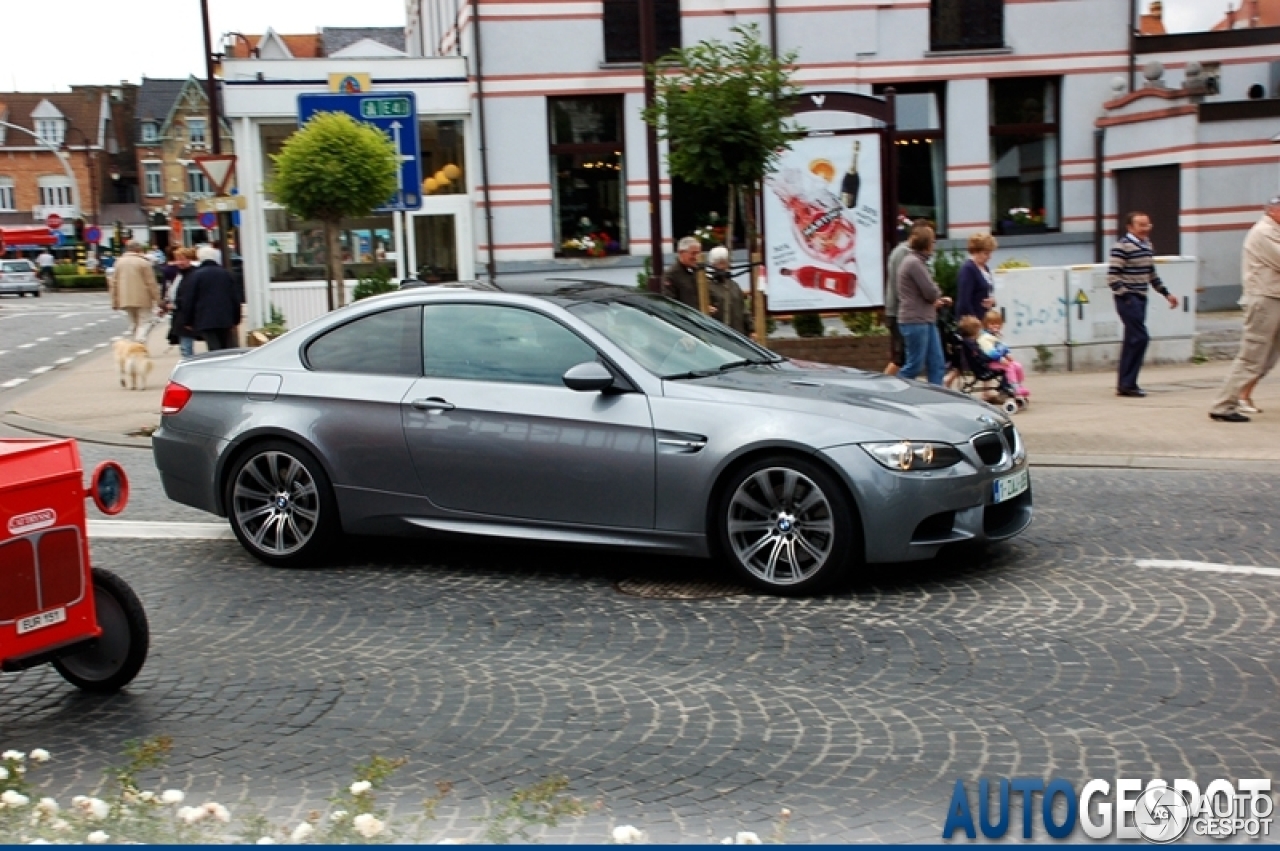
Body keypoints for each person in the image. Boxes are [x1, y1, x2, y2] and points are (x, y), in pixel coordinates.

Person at [1209, 197, 1280, 423]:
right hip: (1265, 299)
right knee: (1252, 356)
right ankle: (1223, 405)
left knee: (1267, 358)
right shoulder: (1264, 232)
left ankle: (1235, 399)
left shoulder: (1273, 230)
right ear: (1273, 211)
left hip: (1273, 297)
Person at [1109, 211, 1178, 397]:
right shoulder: (1122, 246)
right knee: (1140, 338)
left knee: (1132, 340)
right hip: (1128, 298)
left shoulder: (1147, 245)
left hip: (1141, 297)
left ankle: (1125, 384)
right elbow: (1113, 276)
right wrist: (1126, 296)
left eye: (1148, 225)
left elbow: (1151, 274)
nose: (1145, 229)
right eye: (1141, 225)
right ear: (1130, 227)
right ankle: (1128, 383)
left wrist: (1166, 294)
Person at [896, 225, 952, 385]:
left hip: (926, 319)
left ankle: (936, 394)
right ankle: (896, 389)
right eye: (933, 241)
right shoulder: (914, 263)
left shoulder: (918, 262)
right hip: (915, 320)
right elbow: (930, 292)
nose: (934, 245)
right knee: (915, 365)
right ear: (926, 244)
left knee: (937, 363)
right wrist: (937, 291)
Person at [183, 245, 242, 351]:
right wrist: (236, 318)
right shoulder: (226, 274)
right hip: (225, 318)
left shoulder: (196, 275)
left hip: (205, 318)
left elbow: (190, 299)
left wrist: (188, 320)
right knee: (228, 347)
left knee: (214, 348)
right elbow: (234, 297)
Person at [882, 223, 919, 376]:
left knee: (904, 355)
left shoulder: (909, 253)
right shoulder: (903, 253)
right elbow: (901, 285)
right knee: (902, 356)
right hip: (898, 312)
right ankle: (883, 383)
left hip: (901, 311)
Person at [109, 242, 161, 342]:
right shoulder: (143, 263)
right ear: (138, 250)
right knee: (144, 322)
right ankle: (139, 342)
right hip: (143, 298)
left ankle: (135, 345)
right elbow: (151, 283)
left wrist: (114, 301)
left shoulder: (118, 262)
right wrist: (158, 300)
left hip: (125, 299)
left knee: (134, 323)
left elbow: (114, 283)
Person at [977, 309, 1029, 398]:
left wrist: (1007, 354)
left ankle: (1019, 385)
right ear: (986, 324)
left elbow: (1002, 348)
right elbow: (990, 351)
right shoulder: (985, 338)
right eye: (992, 324)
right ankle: (1013, 387)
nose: (995, 326)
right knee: (1010, 366)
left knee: (1017, 365)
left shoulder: (995, 336)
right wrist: (1000, 358)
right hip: (990, 363)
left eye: (997, 323)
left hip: (997, 361)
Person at [166, 247, 200, 358]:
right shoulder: (180, 274)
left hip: (187, 314)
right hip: (181, 314)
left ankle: (190, 365)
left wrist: (175, 304)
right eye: (177, 259)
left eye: (182, 259)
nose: (179, 262)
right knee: (185, 346)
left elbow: (187, 295)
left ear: (189, 259)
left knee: (186, 347)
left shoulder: (192, 274)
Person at [956, 233, 998, 321]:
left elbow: (986, 292)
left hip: (985, 318)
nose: (989, 257)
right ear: (975, 251)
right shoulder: (968, 269)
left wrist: (992, 301)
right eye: (986, 253)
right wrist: (974, 321)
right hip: (973, 321)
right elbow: (964, 300)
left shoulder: (985, 268)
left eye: (990, 253)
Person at [705, 245, 746, 334]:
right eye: (722, 263)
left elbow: (743, 310)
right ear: (713, 264)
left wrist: (751, 329)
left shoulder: (734, 285)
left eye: (727, 262)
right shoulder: (707, 286)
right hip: (719, 334)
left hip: (738, 333)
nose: (727, 266)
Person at [662, 236, 702, 310]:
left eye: (698, 253)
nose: (696, 257)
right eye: (693, 253)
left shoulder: (697, 271)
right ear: (681, 253)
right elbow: (670, 303)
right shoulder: (672, 274)